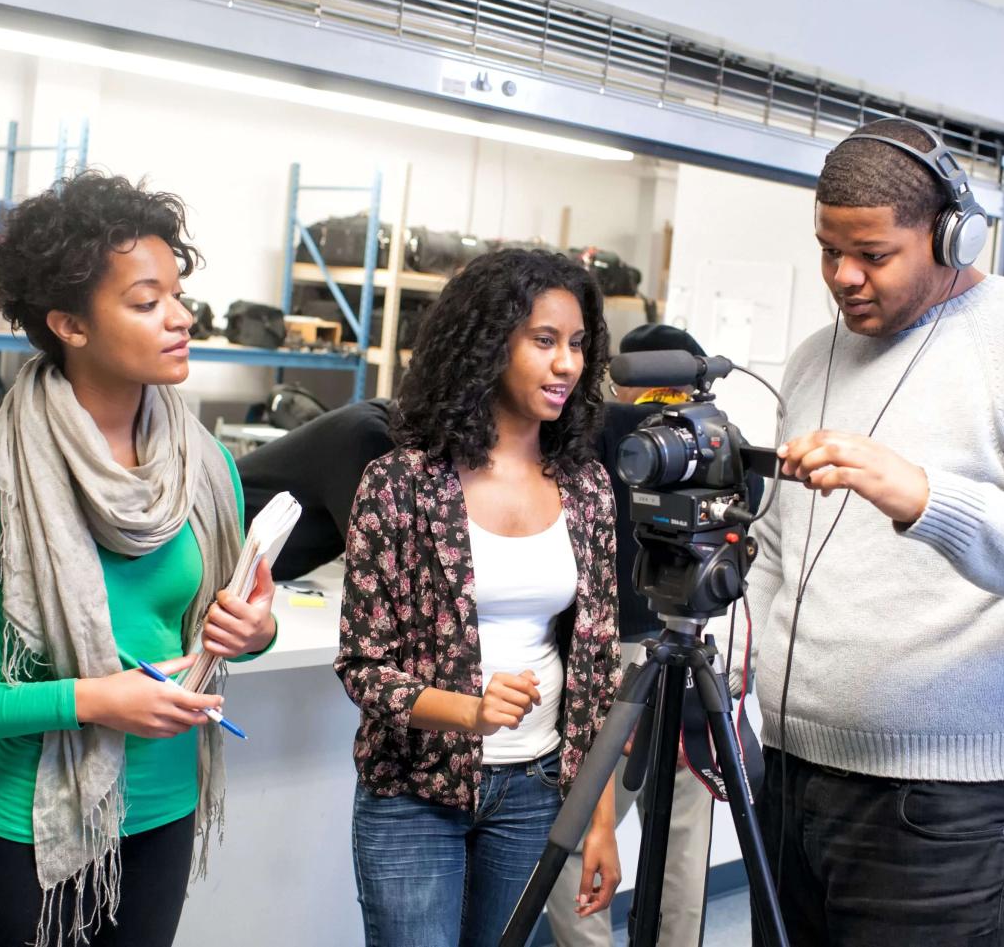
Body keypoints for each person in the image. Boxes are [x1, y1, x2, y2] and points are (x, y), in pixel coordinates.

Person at [743, 118, 1004, 946]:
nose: (844, 277)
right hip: (790, 780)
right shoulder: (815, 357)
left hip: (954, 809)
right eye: (828, 250)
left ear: (950, 235)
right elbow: (781, 551)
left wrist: (928, 498)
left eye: (874, 254)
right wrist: (740, 667)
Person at [0, 172, 277, 947]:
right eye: (145, 302)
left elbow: (225, 633)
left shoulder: (207, 469)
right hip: (25, 830)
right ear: (69, 323)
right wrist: (94, 700)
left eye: (177, 293)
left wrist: (253, 627)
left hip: (165, 811)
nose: (180, 317)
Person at [335, 246, 623, 947]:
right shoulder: (402, 481)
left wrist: (601, 820)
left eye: (578, 344)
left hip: (535, 787)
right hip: (413, 790)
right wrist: (469, 710)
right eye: (544, 341)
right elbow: (362, 665)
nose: (567, 365)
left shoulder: (586, 487)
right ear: (488, 344)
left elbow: (597, 670)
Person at [548, 321, 719, 947]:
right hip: (686, 646)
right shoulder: (717, 443)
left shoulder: (590, 432)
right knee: (680, 850)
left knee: (580, 845)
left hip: (618, 656)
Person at [235, 397, 393, 578]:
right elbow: (381, 568)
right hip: (227, 555)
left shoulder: (376, 422)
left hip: (253, 571)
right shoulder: (370, 438)